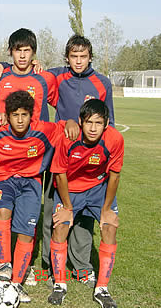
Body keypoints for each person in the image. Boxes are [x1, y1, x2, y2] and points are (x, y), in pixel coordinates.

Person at [0, 34, 115, 286]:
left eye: (83, 56)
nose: (78, 61)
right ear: (67, 58)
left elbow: (108, 121)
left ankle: (81, 266)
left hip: (87, 156)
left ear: (90, 57)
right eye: (74, 56)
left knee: (83, 217)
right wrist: (1, 65)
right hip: (54, 153)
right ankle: (49, 264)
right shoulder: (57, 76)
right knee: (52, 211)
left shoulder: (101, 82)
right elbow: (19, 69)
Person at [0, 90, 74, 303]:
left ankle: (15, 283)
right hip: (2, 179)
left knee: (26, 232)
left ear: (31, 115)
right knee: (3, 210)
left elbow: (66, 126)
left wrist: (71, 120)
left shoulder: (43, 130)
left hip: (31, 183)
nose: (20, 120)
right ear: (7, 115)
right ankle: (4, 263)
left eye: (24, 115)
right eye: (15, 115)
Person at [48, 99, 123, 308]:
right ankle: (60, 283)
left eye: (98, 123)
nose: (93, 128)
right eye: (89, 122)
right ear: (80, 122)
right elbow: (60, 175)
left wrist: (107, 209)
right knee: (60, 227)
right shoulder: (68, 139)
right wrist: (68, 208)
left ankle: (102, 289)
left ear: (106, 124)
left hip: (98, 189)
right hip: (69, 188)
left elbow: (115, 176)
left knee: (110, 228)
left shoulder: (115, 139)